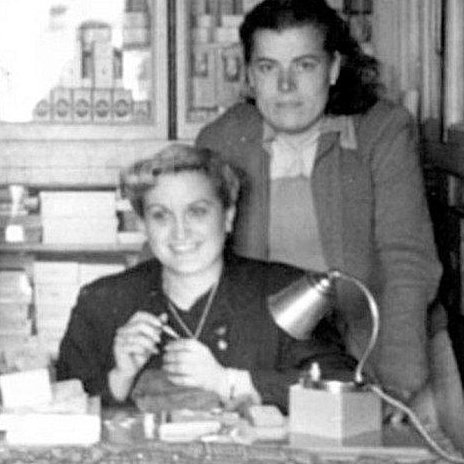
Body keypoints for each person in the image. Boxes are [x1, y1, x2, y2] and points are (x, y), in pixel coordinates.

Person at [195, 0, 464, 446]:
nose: (285, 86)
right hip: (275, 365)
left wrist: (395, 386)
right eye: (267, 67)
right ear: (248, 75)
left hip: (388, 350)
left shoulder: (382, 129)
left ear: (334, 68)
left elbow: (407, 261)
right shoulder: (223, 138)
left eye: (303, 65)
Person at [56, 144, 355, 411]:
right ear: (144, 225)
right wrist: (119, 379)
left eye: (197, 212)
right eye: (161, 215)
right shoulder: (101, 301)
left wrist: (228, 382)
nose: (180, 232)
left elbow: (344, 388)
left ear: (228, 217)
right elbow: (55, 409)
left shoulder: (287, 291)